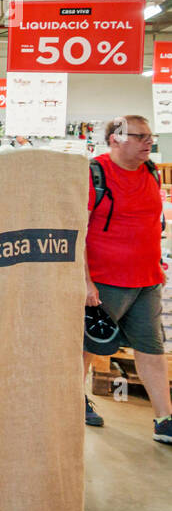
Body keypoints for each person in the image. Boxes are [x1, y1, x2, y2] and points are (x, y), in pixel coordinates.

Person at [84, 114, 172, 444]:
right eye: (140, 136)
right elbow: (78, 231)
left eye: (150, 137)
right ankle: (75, 402)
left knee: (151, 348)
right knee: (88, 348)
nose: (149, 142)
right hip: (105, 281)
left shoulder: (150, 170)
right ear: (116, 139)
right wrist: (86, 281)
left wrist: (157, 271)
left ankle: (164, 419)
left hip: (148, 280)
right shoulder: (96, 173)